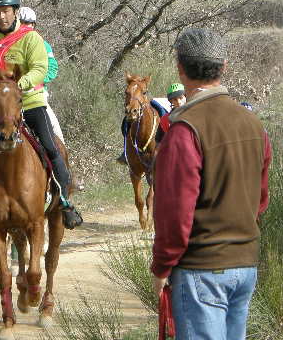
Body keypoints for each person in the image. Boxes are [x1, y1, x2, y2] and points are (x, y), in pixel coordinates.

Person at [151, 27, 271, 340]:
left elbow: (175, 212)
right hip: (245, 266)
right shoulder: (254, 124)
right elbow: (260, 200)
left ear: (180, 68)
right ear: (224, 67)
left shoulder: (184, 130)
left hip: (201, 270)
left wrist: (163, 266)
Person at [0, 0, 83, 235]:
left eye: (6, 11)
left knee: (51, 147)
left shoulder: (30, 38)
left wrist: (17, 87)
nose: (2, 16)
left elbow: (40, 67)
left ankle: (65, 202)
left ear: (15, 12)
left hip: (30, 102)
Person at [17, 6, 65, 144]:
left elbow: (52, 68)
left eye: (29, 23)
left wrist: (35, 79)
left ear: (34, 25)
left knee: (57, 136)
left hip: (37, 96)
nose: (25, 26)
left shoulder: (43, 45)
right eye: (22, 23)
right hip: (12, 96)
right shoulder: (9, 43)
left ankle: (61, 164)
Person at [116, 83, 185, 166]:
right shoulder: (165, 120)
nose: (179, 102)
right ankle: (126, 151)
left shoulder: (196, 113)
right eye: (174, 100)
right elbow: (159, 141)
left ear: (186, 96)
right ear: (171, 101)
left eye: (181, 98)